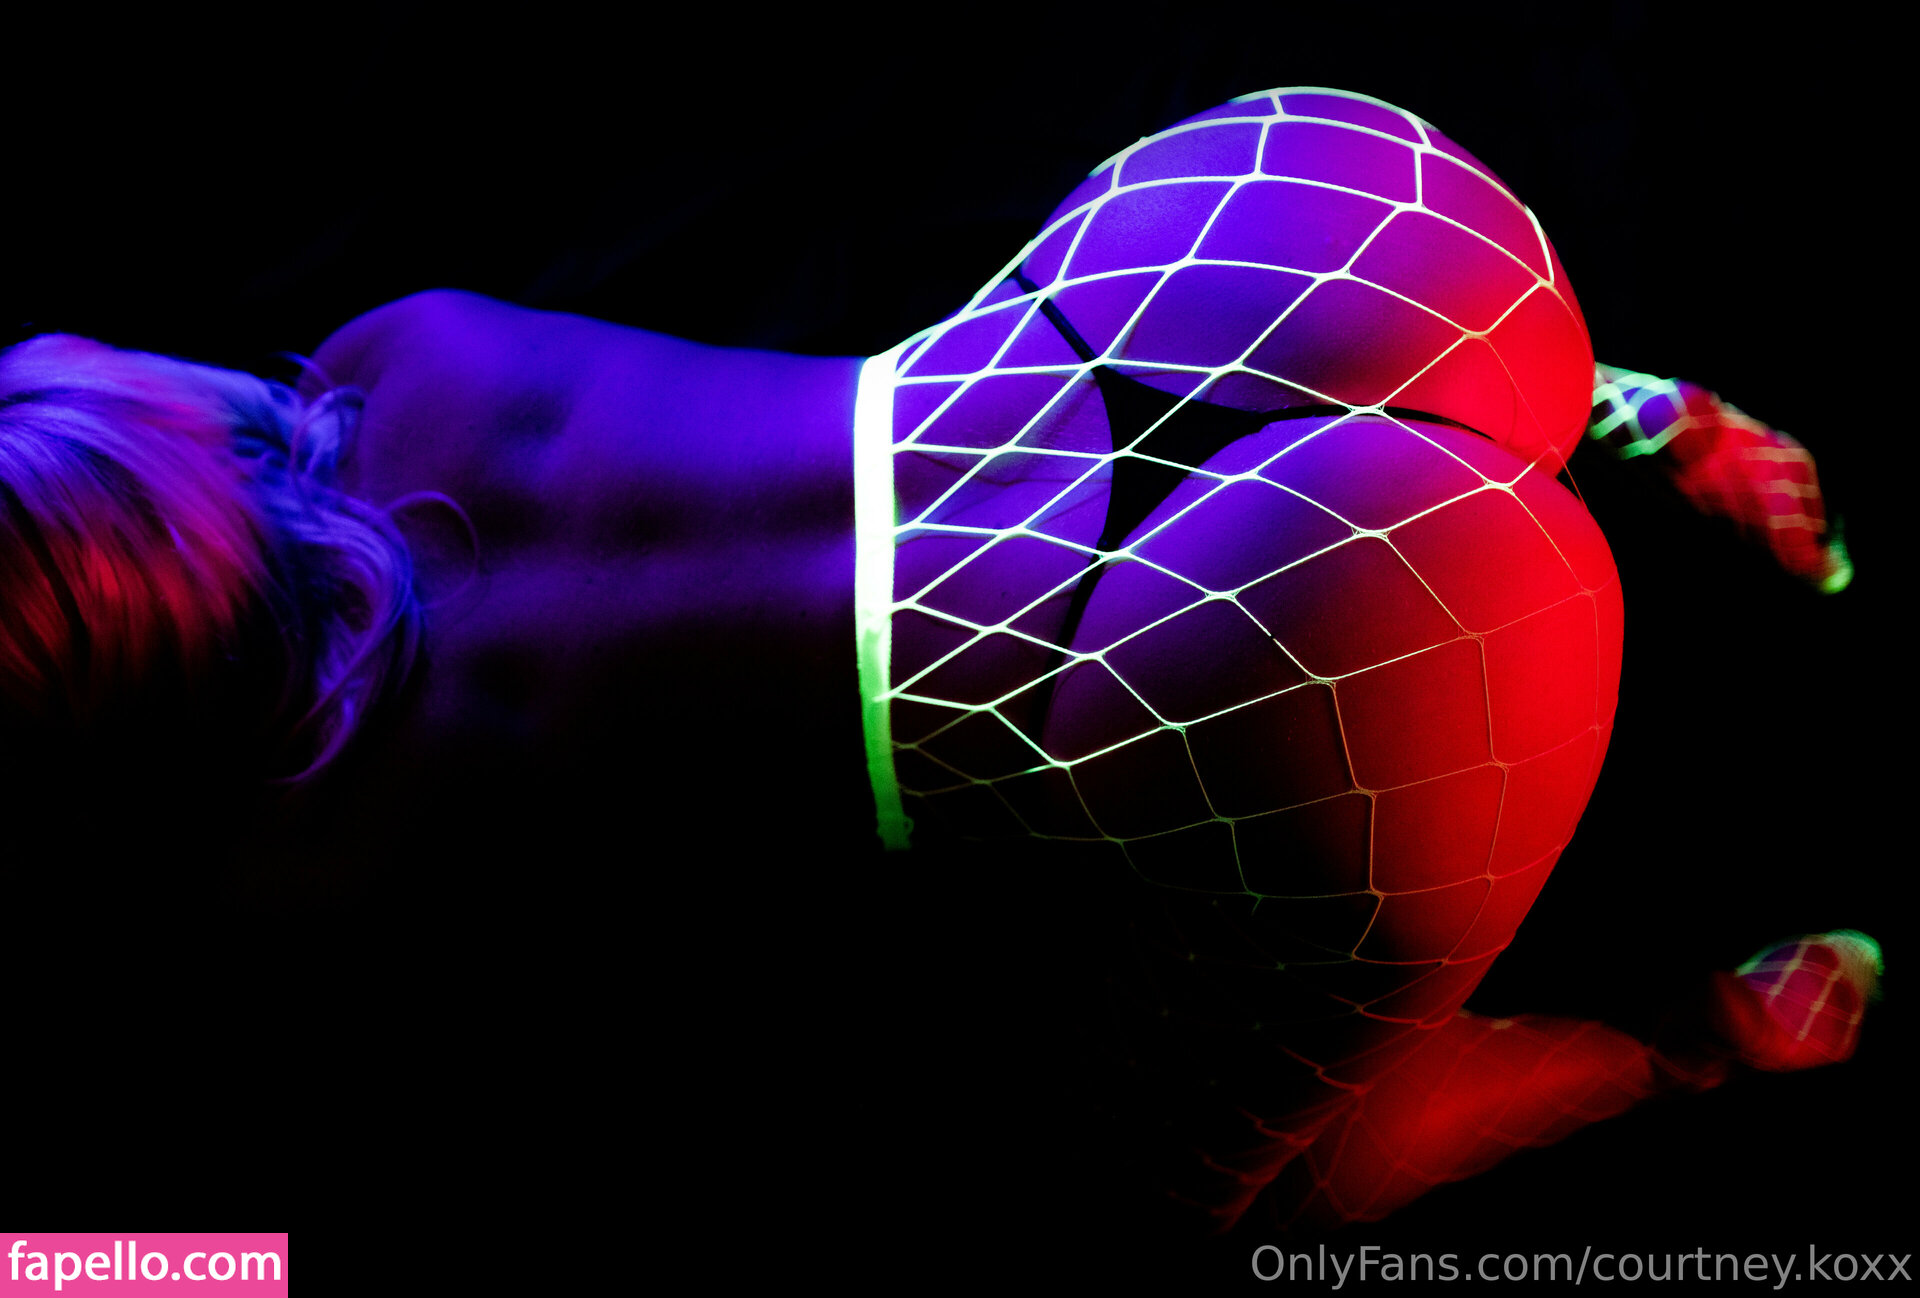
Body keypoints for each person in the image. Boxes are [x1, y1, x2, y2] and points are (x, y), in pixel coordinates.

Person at [0, 87, 1874, 1245]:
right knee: (1401, 366)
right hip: (1261, 242)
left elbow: (246, 1245)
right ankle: (1643, 414)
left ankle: (1702, 1047)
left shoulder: (297, 857)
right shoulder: (385, 349)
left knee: (1214, 1193)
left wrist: (60, 1261)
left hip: (1253, 645)